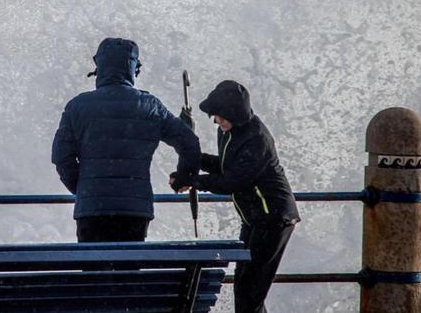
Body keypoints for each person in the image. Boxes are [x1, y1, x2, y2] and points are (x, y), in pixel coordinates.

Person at [52, 37, 200, 242]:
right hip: (134, 210)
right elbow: (189, 142)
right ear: (133, 69)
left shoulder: (77, 106)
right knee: (129, 270)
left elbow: (61, 157)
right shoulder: (150, 106)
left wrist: (84, 189)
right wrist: (184, 175)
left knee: (94, 271)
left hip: (92, 211)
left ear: (100, 67)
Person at [170, 80, 300, 313]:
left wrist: (193, 181)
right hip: (255, 218)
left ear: (232, 114)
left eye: (219, 115)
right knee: (245, 285)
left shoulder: (256, 138)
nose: (215, 121)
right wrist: (194, 158)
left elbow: (234, 180)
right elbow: (225, 167)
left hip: (273, 218)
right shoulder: (231, 132)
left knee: (250, 289)